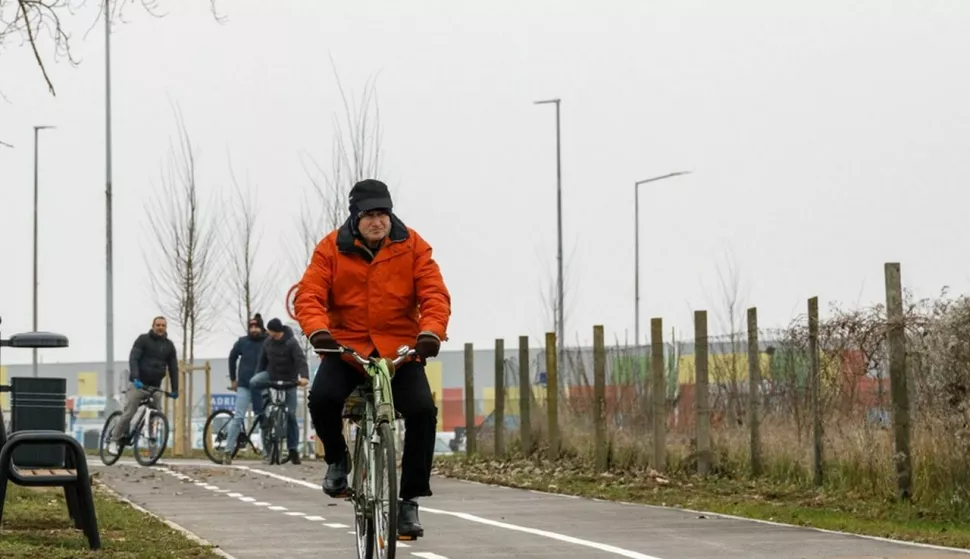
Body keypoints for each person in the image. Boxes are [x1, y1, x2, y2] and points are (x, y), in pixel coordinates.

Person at [293, 178, 451, 539]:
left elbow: (434, 293)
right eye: (369, 215)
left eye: (383, 214)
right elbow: (310, 295)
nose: (377, 222)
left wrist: (430, 332)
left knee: (423, 411)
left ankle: (409, 500)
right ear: (355, 217)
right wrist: (319, 332)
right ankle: (337, 459)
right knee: (322, 398)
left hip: (399, 350)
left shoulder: (412, 245)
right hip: (347, 347)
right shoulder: (330, 248)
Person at [109, 316, 179, 454]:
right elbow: (133, 358)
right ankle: (114, 440)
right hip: (139, 384)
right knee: (129, 413)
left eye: (163, 325)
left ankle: (153, 452)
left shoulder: (169, 346)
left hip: (155, 387)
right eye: (158, 325)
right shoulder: (143, 340)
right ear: (153, 326)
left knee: (156, 417)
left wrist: (175, 389)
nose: (160, 327)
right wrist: (135, 377)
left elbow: (173, 368)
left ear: (166, 328)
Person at [248, 317, 309, 465]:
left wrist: (304, 377)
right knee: (254, 382)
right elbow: (261, 362)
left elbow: (301, 361)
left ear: (278, 331)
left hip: (289, 381)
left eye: (271, 332)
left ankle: (293, 450)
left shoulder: (291, 343)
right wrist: (258, 375)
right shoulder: (268, 342)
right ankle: (262, 406)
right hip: (272, 376)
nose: (270, 335)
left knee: (290, 414)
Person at [223, 313, 269, 465]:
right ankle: (228, 451)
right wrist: (233, 379)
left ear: (262, 328)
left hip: (262, 386)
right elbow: (232, 357)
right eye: (251, 327)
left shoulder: (267, 342)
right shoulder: (243, 342)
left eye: (257, 327)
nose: (254, 330)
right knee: (238, 417)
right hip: (244, 385)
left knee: (264, 418)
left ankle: (267, 452)